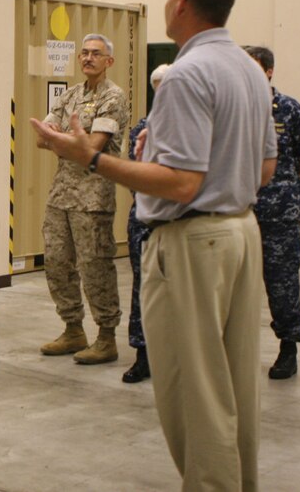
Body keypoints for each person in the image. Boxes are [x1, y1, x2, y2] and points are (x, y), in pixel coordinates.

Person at [32, 0, 276, 491]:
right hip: (239, 231)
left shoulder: (189, 73)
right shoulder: (249, 71)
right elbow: (264, 167)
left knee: (195, 394)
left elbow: (182, 182)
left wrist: (90, 158)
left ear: (182, 0)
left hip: (193, 243)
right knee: (234, 388)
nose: (166, 0)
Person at [36, 33, 128, 364]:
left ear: (109, 61)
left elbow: (93, 146)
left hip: (93, 196)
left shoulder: (113, 98)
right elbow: (41, 138)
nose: (88, 58)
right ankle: (73, 328)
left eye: (96, 54)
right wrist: (68, 139)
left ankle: (106, 336)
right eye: (85, 53)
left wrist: (63, 139)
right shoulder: (70, 95)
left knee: (94, 266)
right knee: (57, 262)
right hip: (61, 193)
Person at [245, 46, 300, 380]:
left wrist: (282, 184)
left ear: (270, 71)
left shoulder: (288, 109)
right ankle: (234, 350)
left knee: (282, 282)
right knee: (234, 284)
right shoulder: (232, 107)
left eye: (254, 67)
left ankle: (288, 347)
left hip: (279, 213)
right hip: (238, 210)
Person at [122, 63, 169, 384]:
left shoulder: (196, 125)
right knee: (143, 286)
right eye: (159, 86)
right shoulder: (142, 127)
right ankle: (143, 354)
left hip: (180, 222)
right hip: (144, 218)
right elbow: (133, 174)